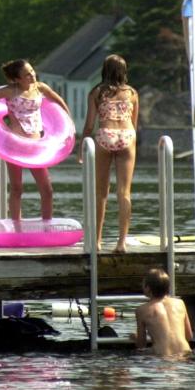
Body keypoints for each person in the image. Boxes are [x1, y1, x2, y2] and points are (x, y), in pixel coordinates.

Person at [0, 58, 73, 229]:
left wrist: (68, 123)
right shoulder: (10, 91)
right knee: (17, 188)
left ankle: (46, 227)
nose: (32, 76)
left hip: (35, 146)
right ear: (17, 79)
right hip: (14, 146)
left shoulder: (40, 88)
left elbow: (59, 101)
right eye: (27, 74)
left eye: (32, 71)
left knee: (47, 189)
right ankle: (17, 228)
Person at [88, 54, 140, 252]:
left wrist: (81, 149)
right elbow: (134, 123)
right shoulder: (132, 93)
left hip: (104, 135)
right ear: (123, 71)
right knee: (124, 192)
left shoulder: (96, 93)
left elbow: (89, 125)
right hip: (126, 135)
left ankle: (97, 241)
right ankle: (121, 242)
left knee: (101, 192)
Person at [134, 267, 193, 360]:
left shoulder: (142, 310)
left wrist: (135, 338)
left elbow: (141, 345)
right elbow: (189, 336)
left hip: (162, 356)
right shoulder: (180, 303)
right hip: (185, 353)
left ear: (148, 288)